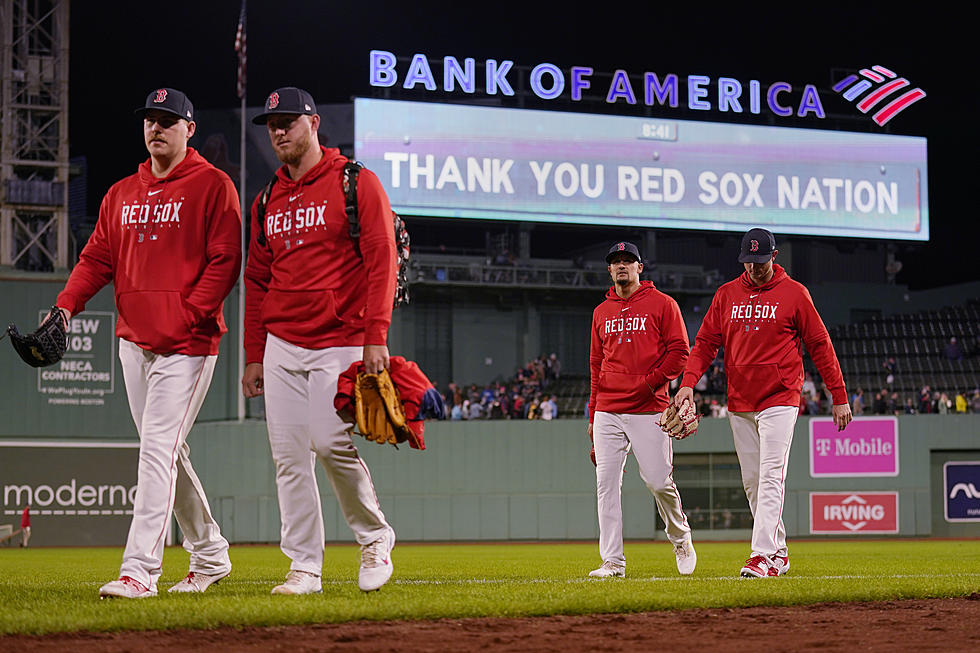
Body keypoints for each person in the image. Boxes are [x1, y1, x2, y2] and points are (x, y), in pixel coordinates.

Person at [54, 88, 240, 598]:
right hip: (134, 342)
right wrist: (66, 305)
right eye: (149, 120)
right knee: (166, 453)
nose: (156, 128)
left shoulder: (212, 185)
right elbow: (95, 260)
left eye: (167, 120)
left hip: (189, 344)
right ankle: (211, 554)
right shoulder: (120, 193)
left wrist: (190, 313)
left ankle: (140, 571)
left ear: (189, 129)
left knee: (156, 450)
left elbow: (226, 260)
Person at [242, 87, 397, 595]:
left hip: (341, 337)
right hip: (282, 343)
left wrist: (376, 337)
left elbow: (382, 263)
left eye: (288, 121)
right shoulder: (267, 198)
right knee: (289, 458)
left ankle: (374, 537)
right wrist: (252, 354)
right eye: (272, 124)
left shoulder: (356, 181)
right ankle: (304, 566)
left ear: (313, 123)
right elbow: (256, 279)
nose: (279, 131)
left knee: (331, 442)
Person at [674, 228, 851, 579]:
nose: (754, 268)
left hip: (781, 396)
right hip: (740, 399)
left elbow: (820, 344)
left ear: (774, 257)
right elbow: (706, 342)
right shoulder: (726, 295)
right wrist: (688, 384)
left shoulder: (795, 294)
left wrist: (839, 395)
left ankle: (761, 555)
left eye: (760, 261)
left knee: (771, 475)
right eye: (748, 262)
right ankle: (779, 553)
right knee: (754, 482)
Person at [587, 241, 696, 579]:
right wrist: (592, 414)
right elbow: (595, 364)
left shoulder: (662, 304)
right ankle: (613, 563)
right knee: (606, 485)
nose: (622, 266)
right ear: (609, 270)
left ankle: (680, 537)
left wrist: (650, 383)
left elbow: (680, 352)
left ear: (639, 268)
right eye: (616, 262)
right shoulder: (600, 312)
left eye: (628, 261)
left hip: (650, 408)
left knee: (658, 482)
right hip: (607, 409)